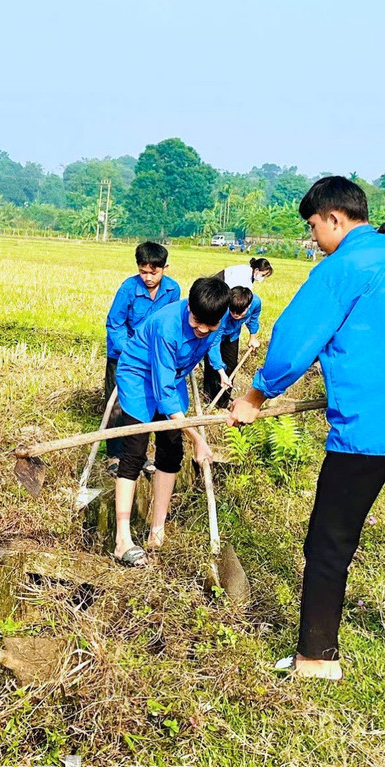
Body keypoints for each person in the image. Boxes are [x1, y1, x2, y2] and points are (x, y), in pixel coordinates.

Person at [230, 177, 385, 685]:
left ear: (334, 218)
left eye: (312, 228)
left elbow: (295, 338)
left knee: (330, 540)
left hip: (369, 427)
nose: (314, 240)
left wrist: (255, 396)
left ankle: (318, 657)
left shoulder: (342, 267)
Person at [110, 277, 231, 567]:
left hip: (173, 377)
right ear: (189, 306)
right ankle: (122, 540)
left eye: (209, 326)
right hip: (140, 377)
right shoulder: (167, 326)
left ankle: (157, 531)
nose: (202, 330)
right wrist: (199, 439)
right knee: (135, 452)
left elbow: (211, 344)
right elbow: (163, 394)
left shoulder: (218, 315)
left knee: (172, 451)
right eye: (196, 322)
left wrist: (219, 367)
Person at [104, 242, 182, 472]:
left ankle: (139, 454)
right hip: (123, 353)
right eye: (143, 271)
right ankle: (115, 456)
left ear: (164, 268)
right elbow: (115, 323)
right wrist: (130, 351)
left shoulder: (172, 290)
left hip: (153, 356)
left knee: (145, 402)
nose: (148, 277)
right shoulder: (128, 289)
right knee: (118, 405)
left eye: (153, 272)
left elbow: (170, 322)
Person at [201, 285, 262, 406]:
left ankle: (222, 404)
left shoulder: (255, 302)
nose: (235, 315)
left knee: (231, 366)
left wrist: (253, 337)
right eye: (233, 311)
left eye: (240, 313)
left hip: (232, 336)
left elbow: (254, 318)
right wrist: (220, 371)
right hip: (215, 335)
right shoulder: (222, 311)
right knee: (212, 368)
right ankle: (208, 400)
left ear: (248, 306)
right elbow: (214, 342)